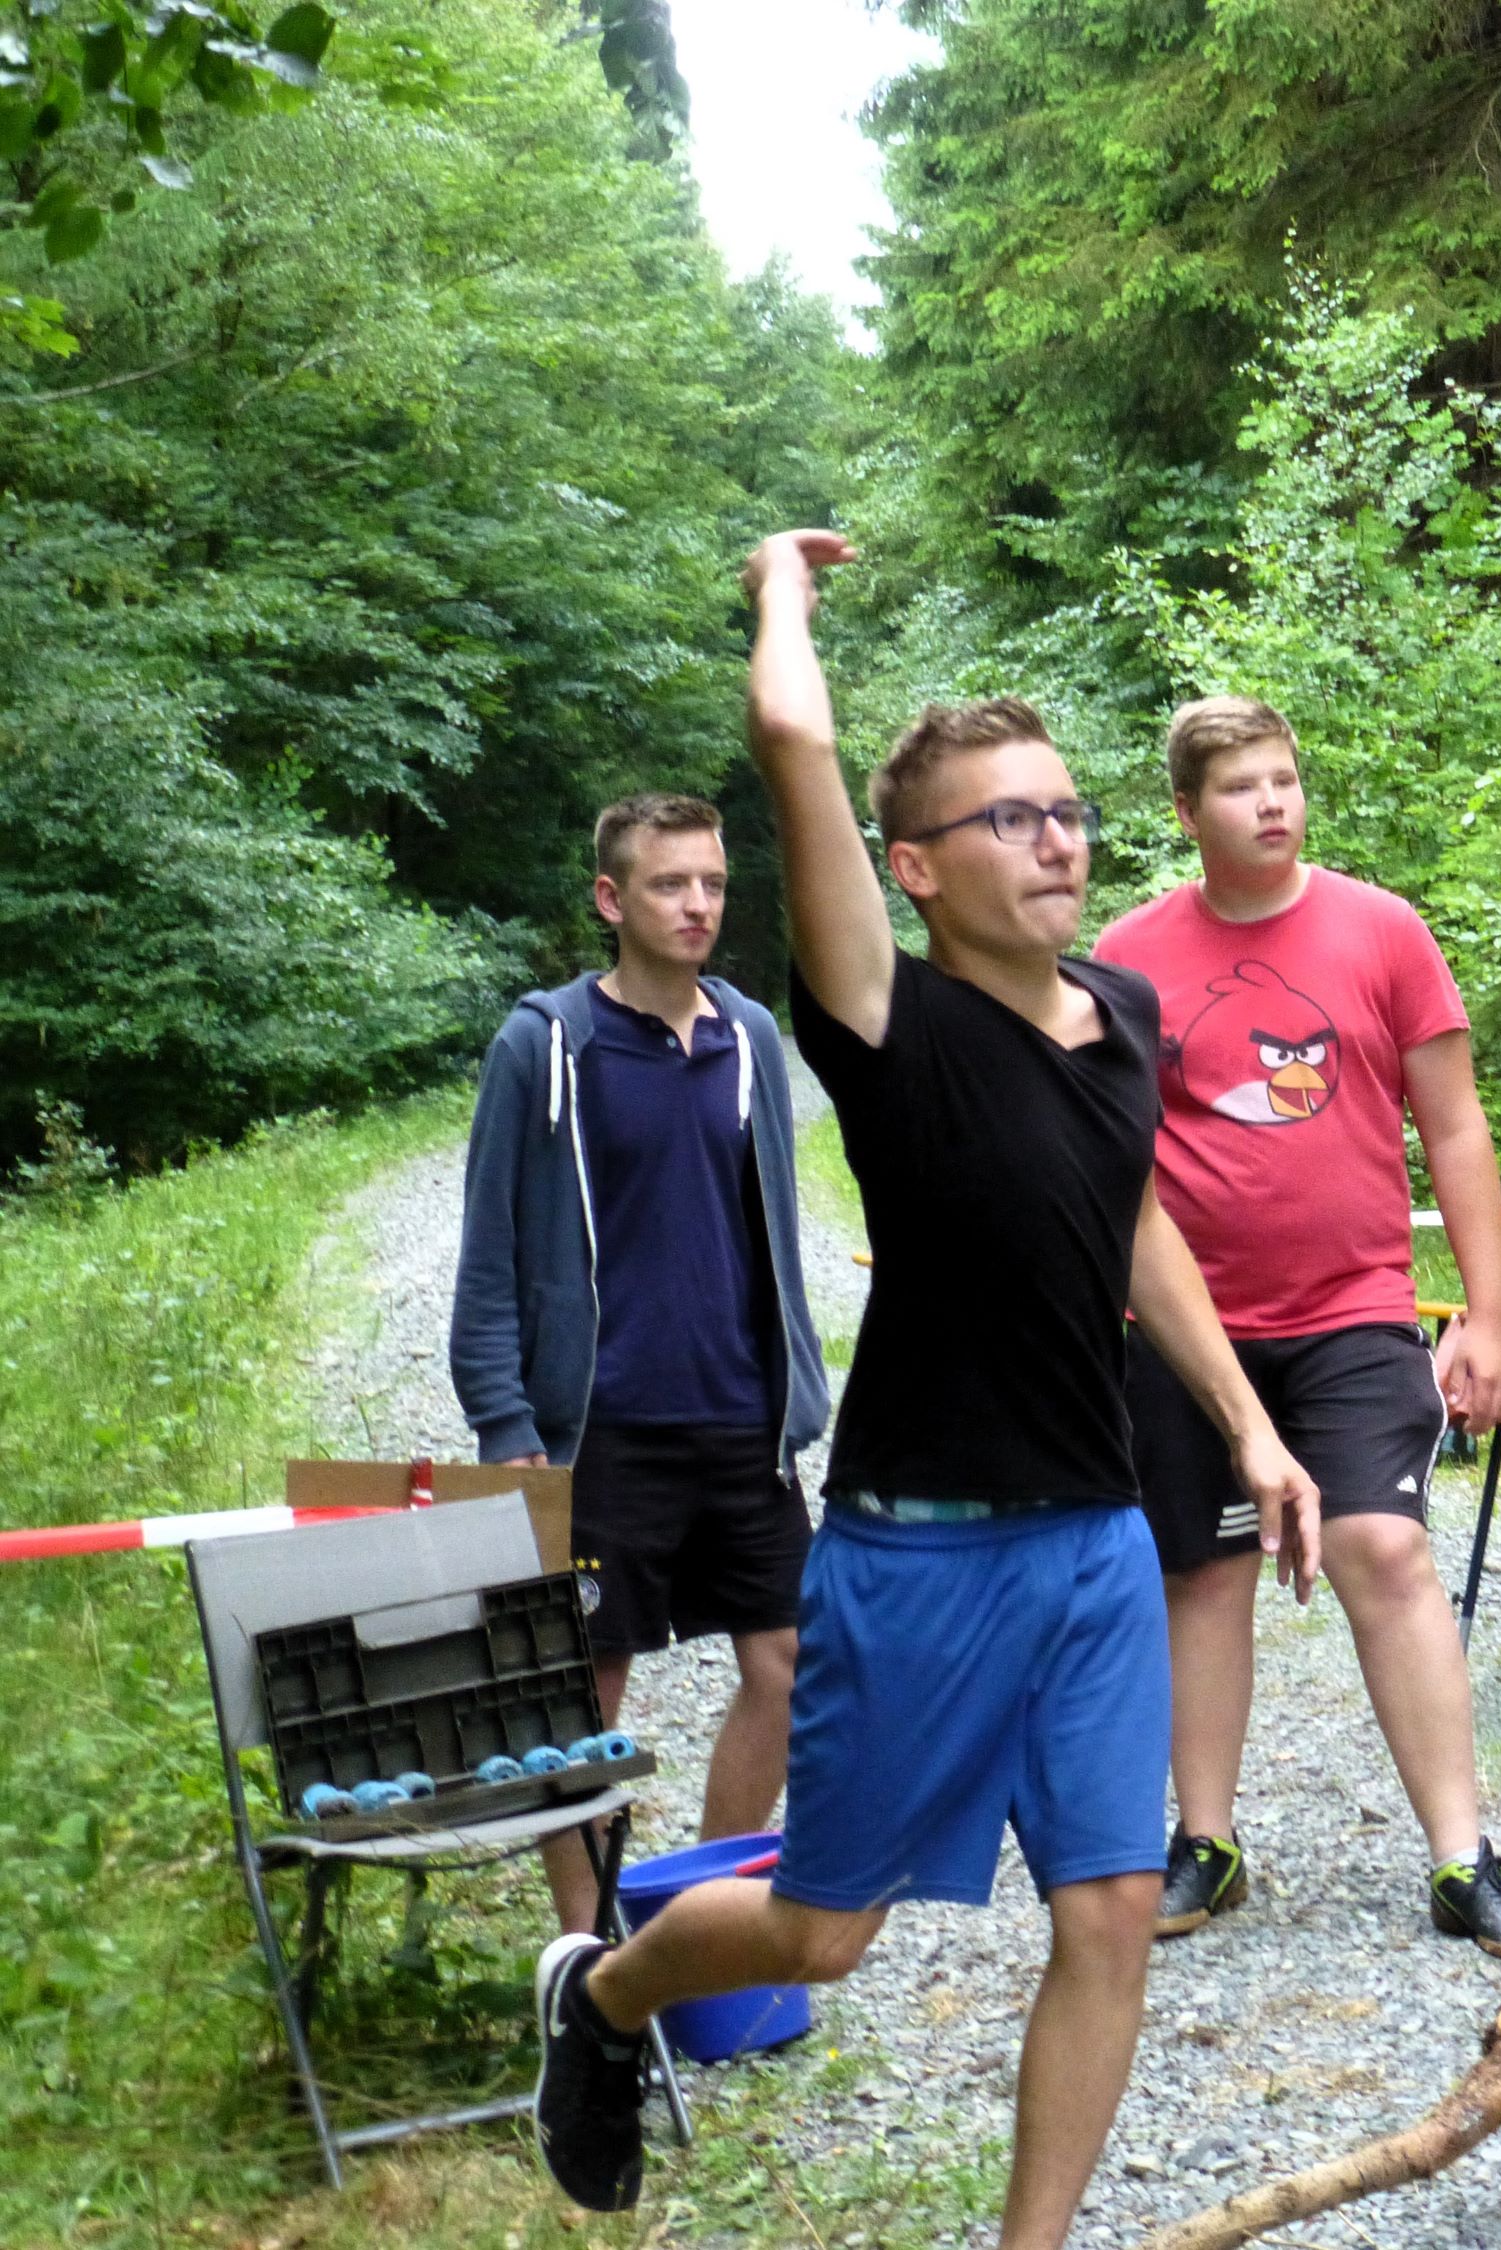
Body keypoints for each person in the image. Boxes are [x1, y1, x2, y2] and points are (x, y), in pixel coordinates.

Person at [526, 529, 1322, 2244]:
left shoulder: (1119, 1010)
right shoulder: (882, 1020)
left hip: (1099, 1541)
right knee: (826, 1934)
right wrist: (779, 592)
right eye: (1006, 821)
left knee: (1110, 1916)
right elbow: (794, 748)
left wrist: (1252, 1423)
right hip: (918, 1557)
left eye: (1065, 811)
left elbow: (1130, 1228)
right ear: (915, 870)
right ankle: (597, 1998)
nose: (1053, 841)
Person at [1092, 696, 1501, 1958]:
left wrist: (1489, 1316)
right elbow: (1106, 1161)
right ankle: (1207, 1842)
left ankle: (1463, 1859)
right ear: (1188, 814)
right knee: (1201, 1573)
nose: (1274, 803)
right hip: (1187, 1331)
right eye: (1242, 787)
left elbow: (1454, 1128)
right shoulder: (1127, 956)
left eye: (1285, 780)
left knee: (1384, 1550)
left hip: (1353, 1311)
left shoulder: (1382, 931)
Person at [451, 792, 831, 1937]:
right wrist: (505, 1421)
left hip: (740, 1421)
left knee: (791, 1664)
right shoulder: (545, 1044)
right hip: (599, 1428)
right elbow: (491, 1254)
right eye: (671, 884)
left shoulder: (749, 1036)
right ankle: (588, 1946)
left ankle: (699, 1920)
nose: (698, 904)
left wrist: (796, 1384)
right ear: (612, 898)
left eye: (712, 883)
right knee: (587, 1690)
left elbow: (770, 1233)